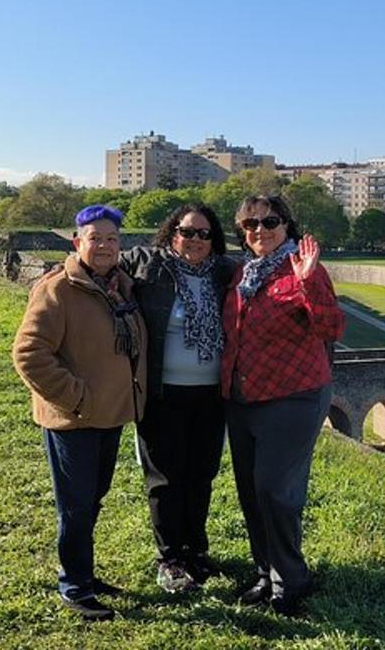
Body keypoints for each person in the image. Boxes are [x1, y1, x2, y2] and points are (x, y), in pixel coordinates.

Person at [12, 205, 146, 621]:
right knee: (75, 506)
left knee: (91, 500)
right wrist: (78, 398)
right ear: (78, 243)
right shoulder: (58, 289)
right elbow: (29, 354)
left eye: (112, 239)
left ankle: (82, 572)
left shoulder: (119, 286)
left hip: (109, 416)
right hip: (75, 419)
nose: (104, 246)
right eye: (95, 238)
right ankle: (74, 586)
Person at [222, 194, 345, 616]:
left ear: (286, 226)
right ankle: (265, 573)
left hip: (294, 397)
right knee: (251, 493)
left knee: (275, 490)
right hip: (244, 399)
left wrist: (309, 280)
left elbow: (330, 326)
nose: (260, 230)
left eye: (270, 221)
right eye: (250, 224)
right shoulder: (243, 274)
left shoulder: (303, 269)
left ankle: (292, 579)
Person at [119, 204, 236, 594]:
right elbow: (99, 260)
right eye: (188, 232)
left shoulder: (223, 272)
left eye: (204, 234)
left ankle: (195, 550)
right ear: (173, 234)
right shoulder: (149, 264)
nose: (196, 240)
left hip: (210, 394)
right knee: (165, 478)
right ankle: (170, 558)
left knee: (200, 475)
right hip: (163, 393)